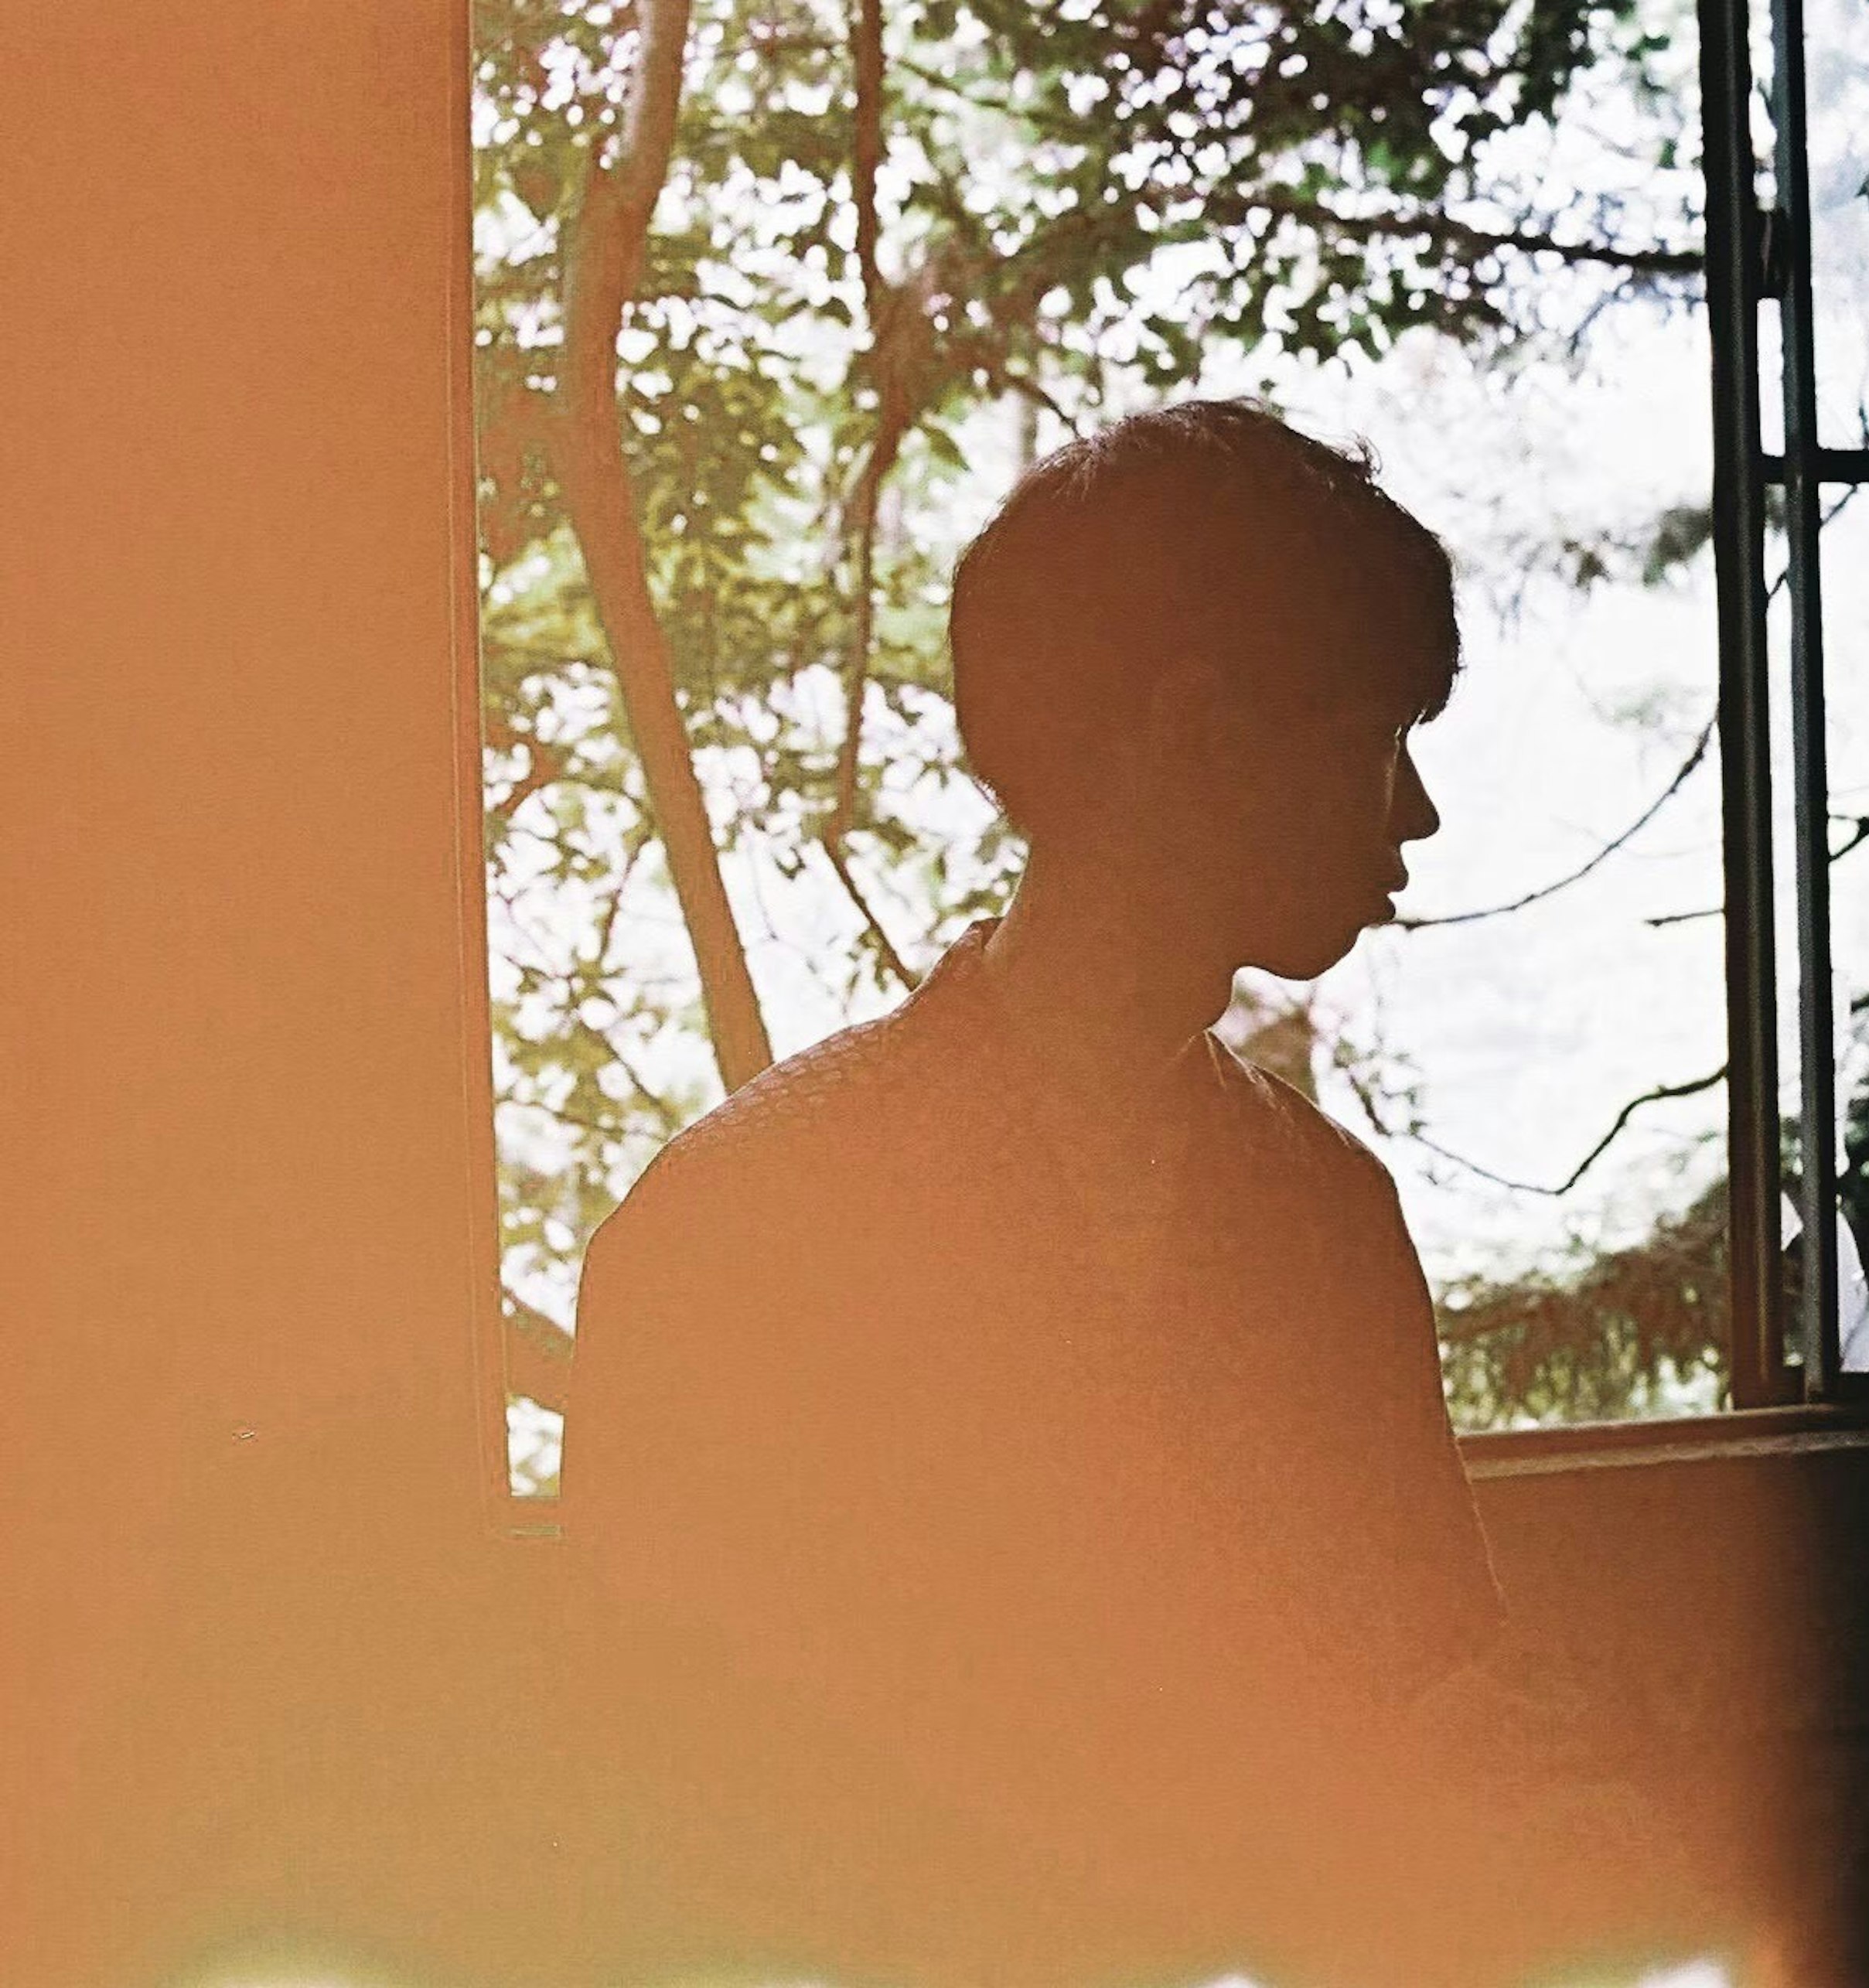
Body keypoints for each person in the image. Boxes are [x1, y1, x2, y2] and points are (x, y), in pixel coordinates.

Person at [560, 402, 1724, 1986]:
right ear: (1197, 732)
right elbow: (665, 1834)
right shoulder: (737, 1234)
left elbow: (1425, 1693)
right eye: (1375, 737)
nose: (1417, 816)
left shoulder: (1325, 1213)